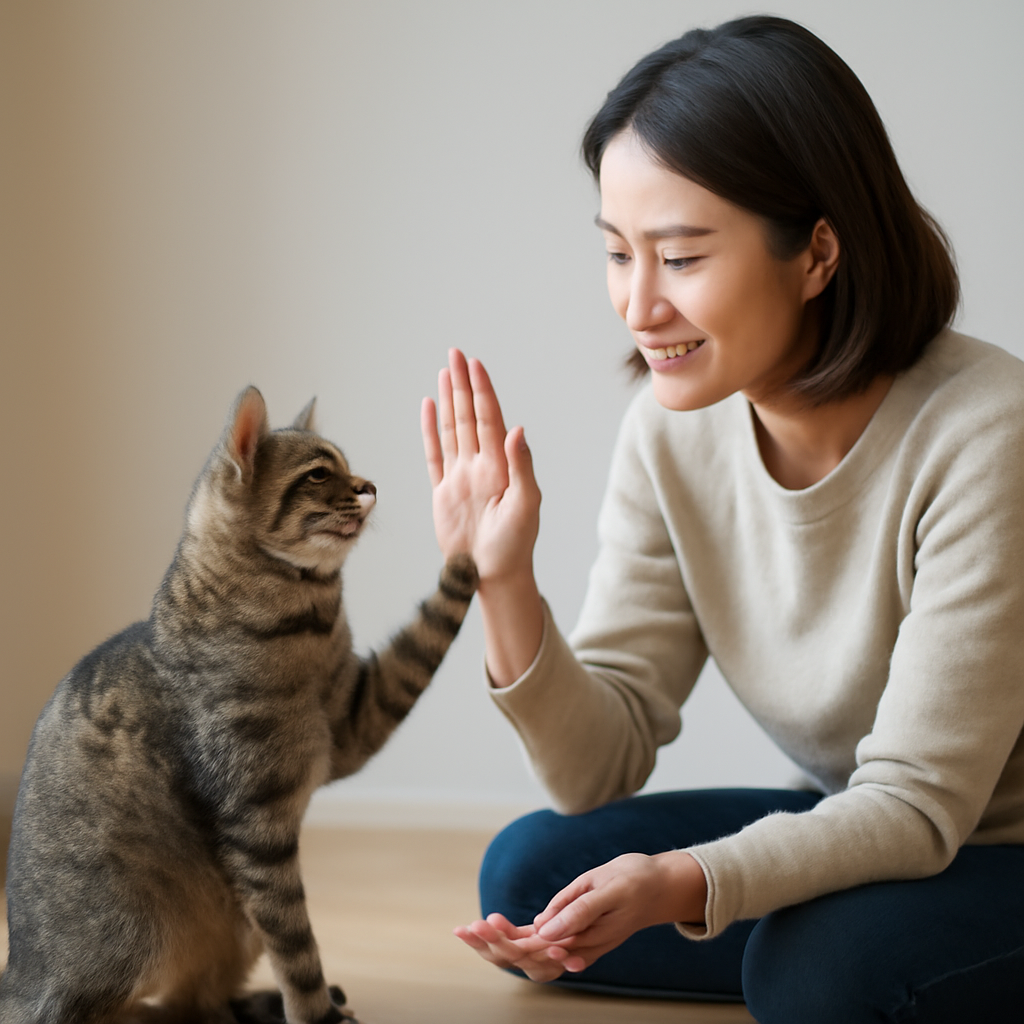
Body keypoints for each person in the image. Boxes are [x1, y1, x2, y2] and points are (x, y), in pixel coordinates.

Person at [420, 15, 1024, 1023]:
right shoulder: (670, 437)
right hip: (877, 824)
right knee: (534, 876)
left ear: (817, 252)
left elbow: (918, 803)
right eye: (618, 253)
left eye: (681, 257)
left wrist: (681, 882)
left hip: (985, 840)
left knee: (819, 972)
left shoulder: (985, 433)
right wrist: (504, 580)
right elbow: (596, 765)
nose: (636, 304)